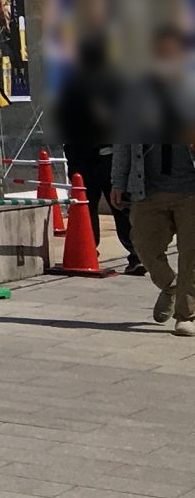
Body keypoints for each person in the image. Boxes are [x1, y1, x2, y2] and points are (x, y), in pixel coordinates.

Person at [116, 28, 195, 334]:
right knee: (143, 244)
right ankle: (170, 284)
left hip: (190, 189)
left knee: (191, 253)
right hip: (148, 187)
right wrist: (118, 181)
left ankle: (186, 316)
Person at [56, 34, 138, 273]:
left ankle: (136, 255)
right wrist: (73, 163)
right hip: (85, 158)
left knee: (120, 207)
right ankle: (88, 250)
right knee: (86, 207)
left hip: (110, 157)